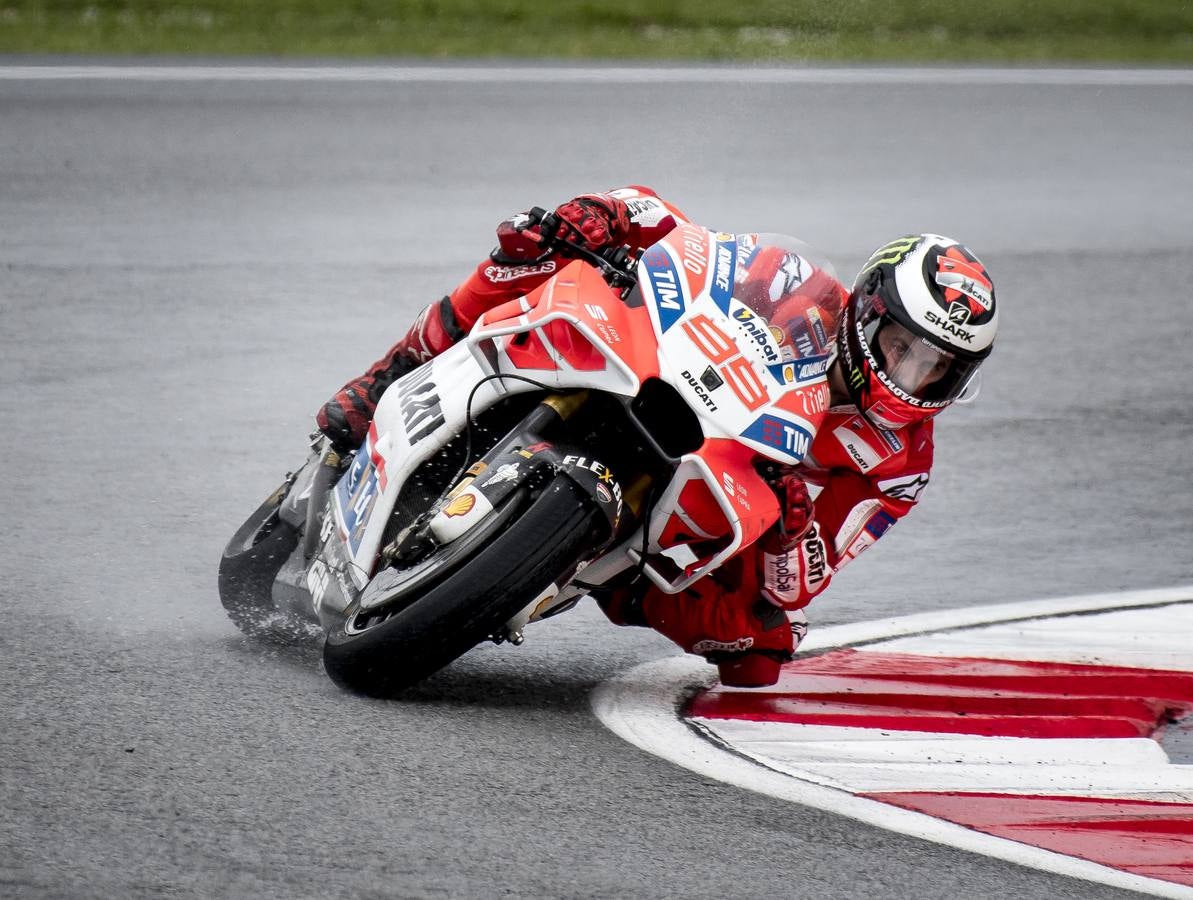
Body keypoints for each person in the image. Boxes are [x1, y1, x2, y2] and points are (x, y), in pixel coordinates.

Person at [316, 187, 998, 688]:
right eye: (903, 346)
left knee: (760, 649)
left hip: (725, 501)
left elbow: (800, 584)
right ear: (868, 308)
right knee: (534, 249)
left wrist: (790, 535)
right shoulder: (801, 288)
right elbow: (687, 238)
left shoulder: (900, 461)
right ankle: (387, 377)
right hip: (669, 377)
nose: (911, 374)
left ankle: (615, 579)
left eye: (936, 367)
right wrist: (606, 215)